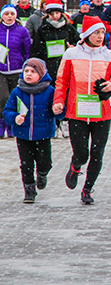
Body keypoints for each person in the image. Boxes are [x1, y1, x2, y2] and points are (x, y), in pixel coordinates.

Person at [53, 15, 111, 205]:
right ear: (86, 34)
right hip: (76, 112)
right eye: (96, 32)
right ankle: (76, 166)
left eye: (102, 32)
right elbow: (61, 81)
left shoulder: (110, 56)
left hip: (101, 113)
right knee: (82, 153)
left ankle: (87, 189)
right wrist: (58, 101)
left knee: (97, 153)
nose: (100, 36)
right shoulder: (71, 54)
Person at [3, 58, 63, 203]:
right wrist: (15, 118)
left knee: (45, 162)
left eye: (33, 72)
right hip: (23, 135)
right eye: (26, 71)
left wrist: (58, 110)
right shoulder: (17, 92)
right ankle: (29, 191)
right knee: (26, 164)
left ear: (41, 74)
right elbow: (7, 111)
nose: (28, 74)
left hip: (43, 135)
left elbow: (59, 112)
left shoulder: (49, 91)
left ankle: (42, 173)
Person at [28, 0, 79, 138]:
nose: (55, 16)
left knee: (68, 94)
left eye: (57, 13)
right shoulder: (43, 30)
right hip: (49, 68)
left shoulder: (68, 28)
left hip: (67, 67)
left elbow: (79, 43)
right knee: (53, 96)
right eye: (52, 13)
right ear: (48, 15)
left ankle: (66, 121)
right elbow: (36, 51)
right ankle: (55, 124)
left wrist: (72, 47)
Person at [0, 4, 32, 139]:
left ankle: (12, 125)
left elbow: (27, 50)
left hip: (17, 69)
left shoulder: (21, 31)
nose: (9, 16)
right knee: (3, 98)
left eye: (12, 14)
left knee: (15, 99)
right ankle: (2, 125)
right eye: (6, 14)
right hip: (1, 71)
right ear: (2, 16)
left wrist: (26, 65)